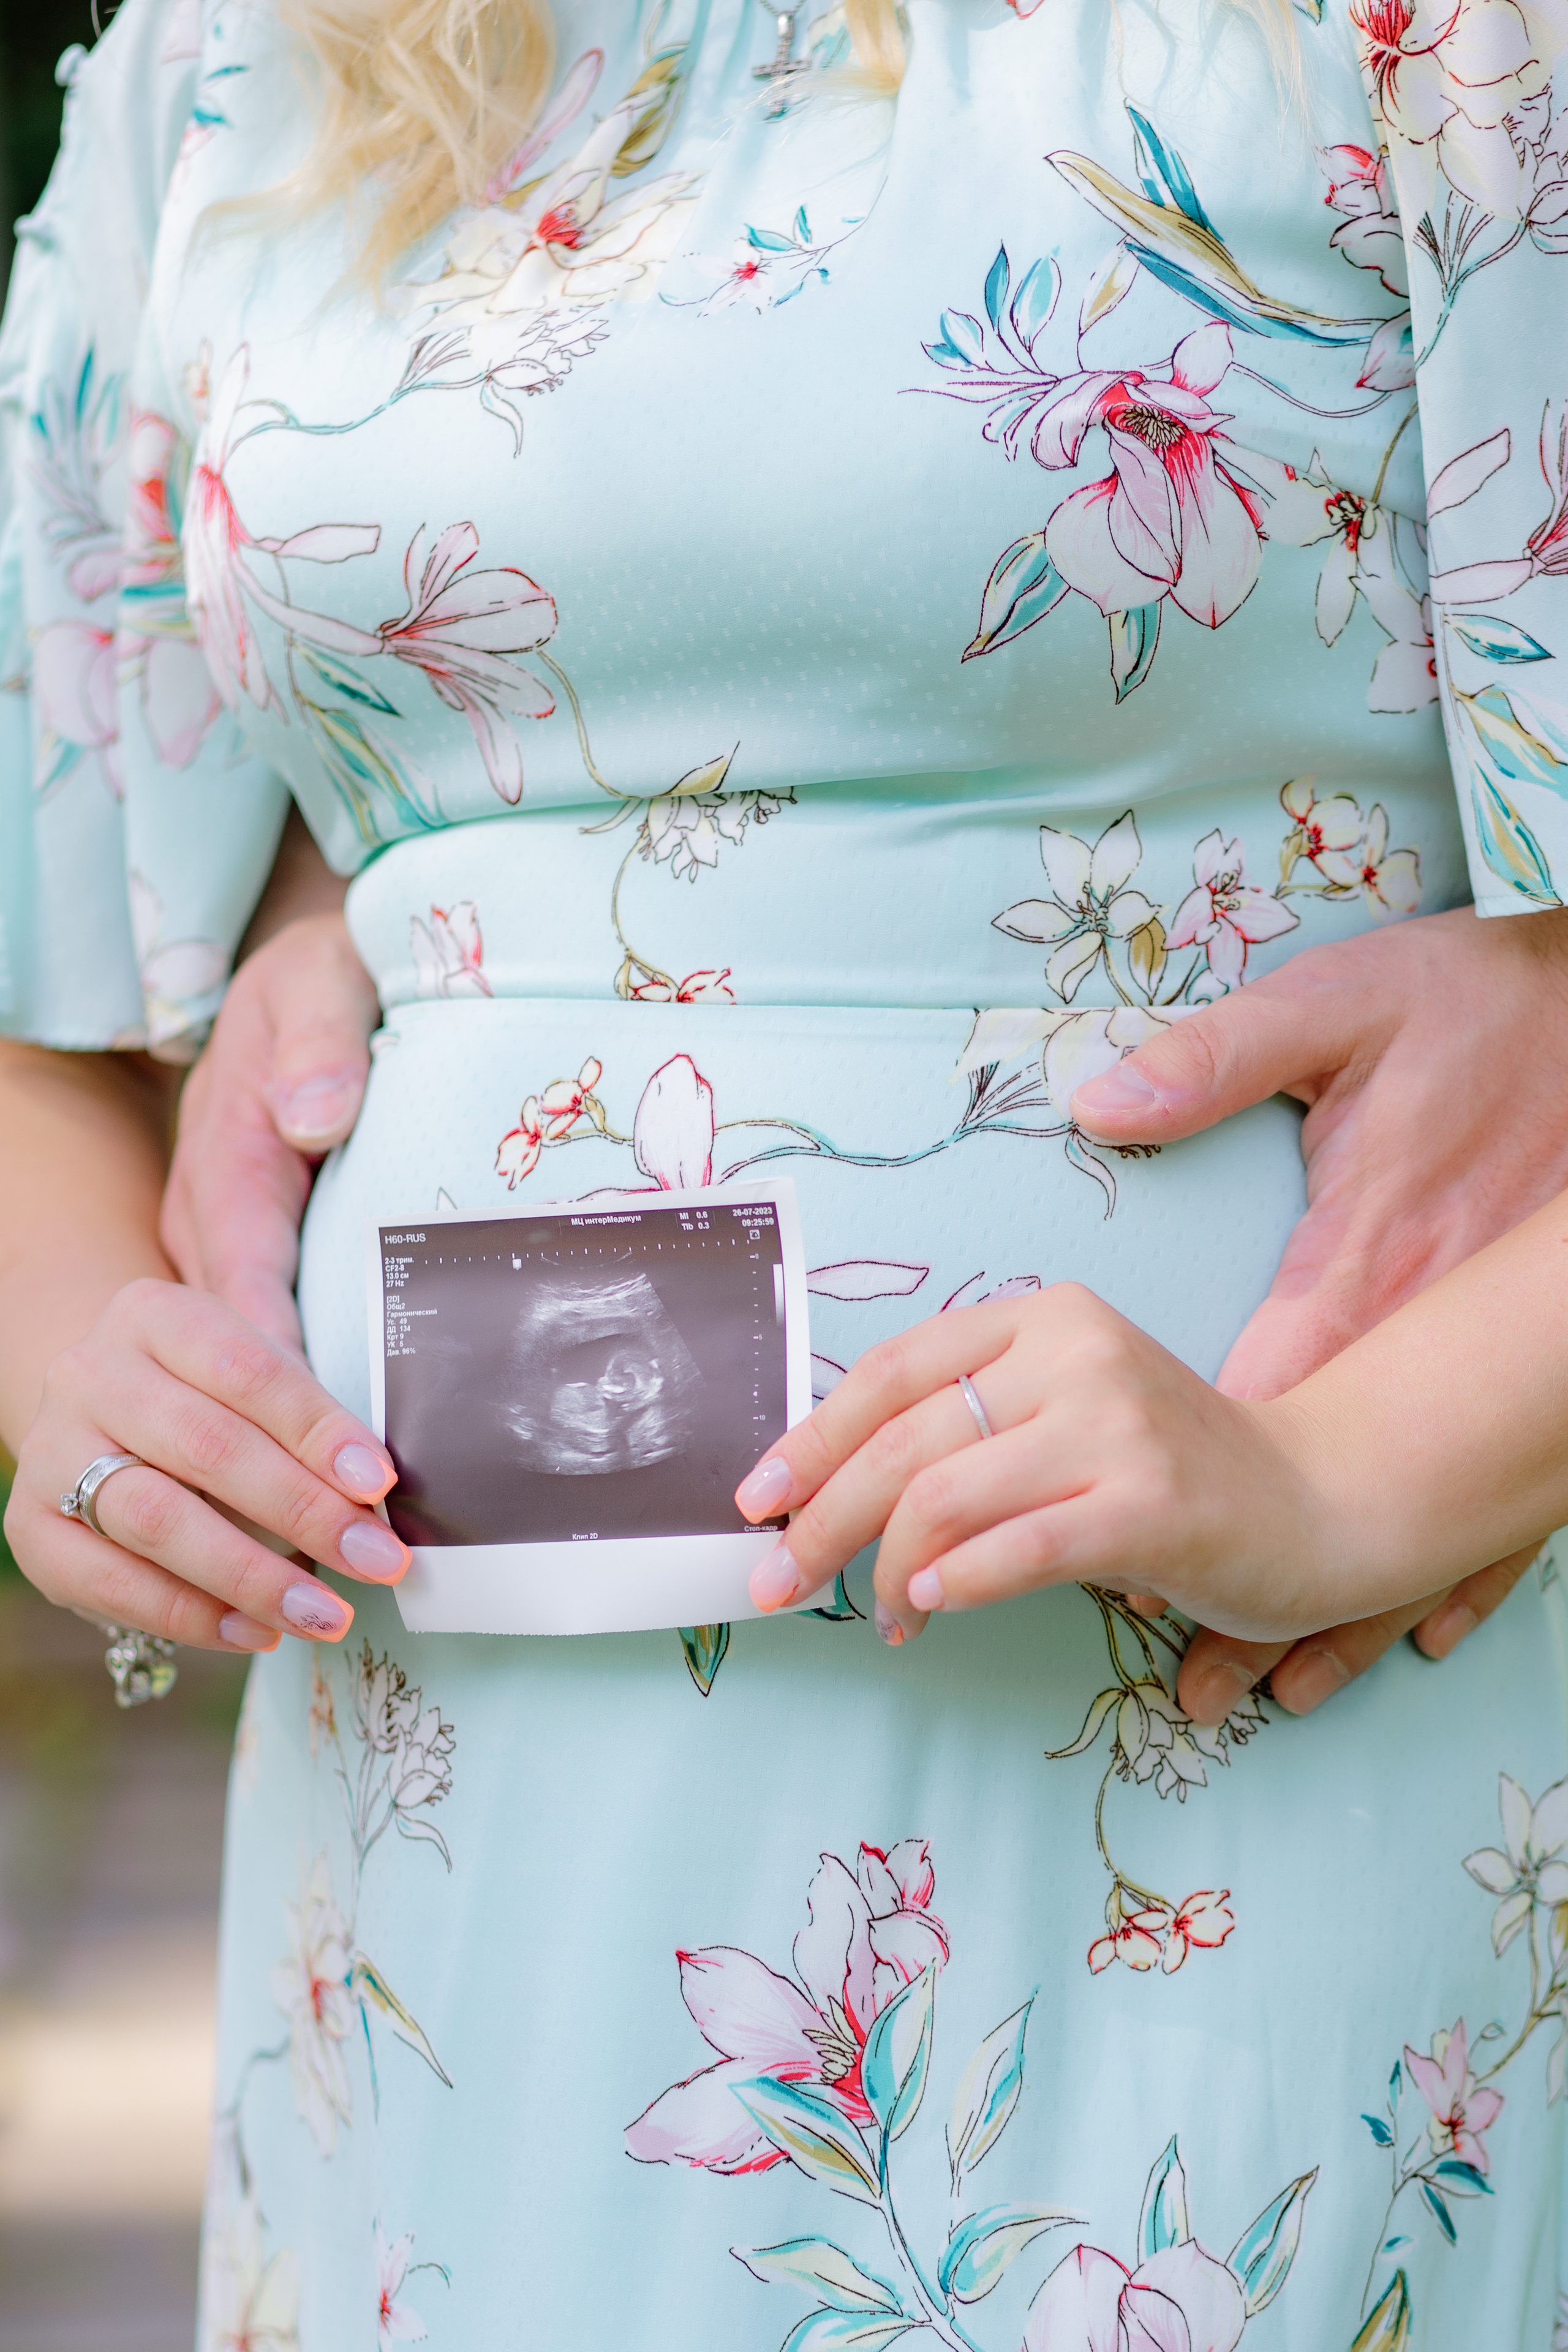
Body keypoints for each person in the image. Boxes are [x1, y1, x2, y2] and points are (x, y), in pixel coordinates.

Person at [2, 0, 1567, 2340]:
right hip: (461, 1855)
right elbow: (58, 1004)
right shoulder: (234, 70)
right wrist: (69, 1376)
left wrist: (1338, 1479)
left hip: (1239, 1792)